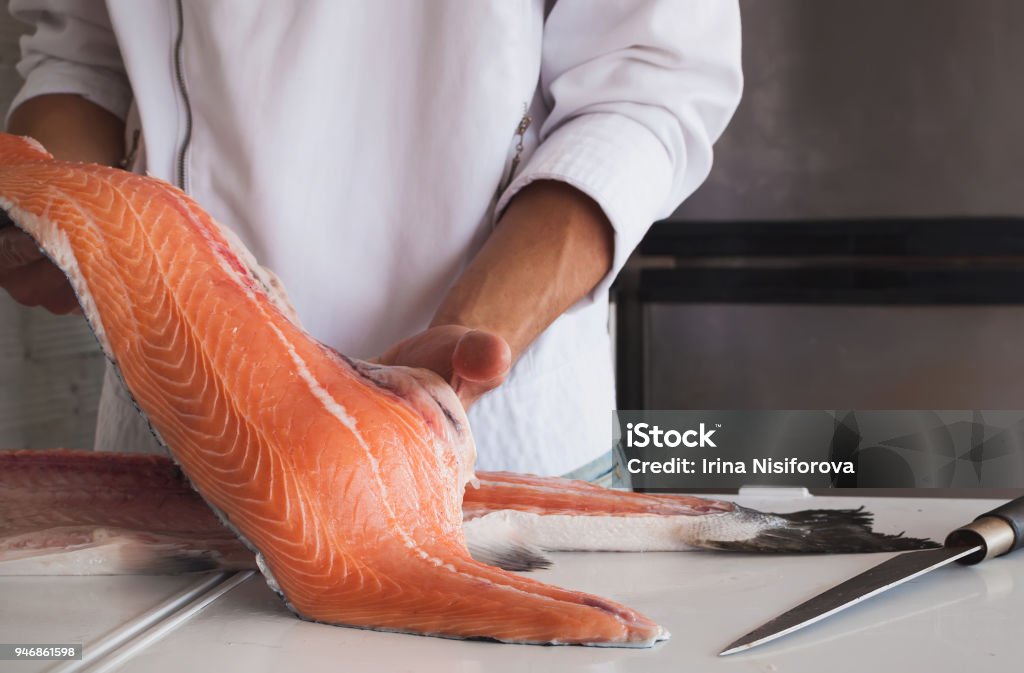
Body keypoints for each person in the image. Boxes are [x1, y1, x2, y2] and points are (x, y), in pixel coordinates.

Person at [0, 1, 742, 481]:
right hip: (173, 433)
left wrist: (459, 352)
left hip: (484, 450)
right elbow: (82, 56)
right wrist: (53, 213)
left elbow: (648, 84)